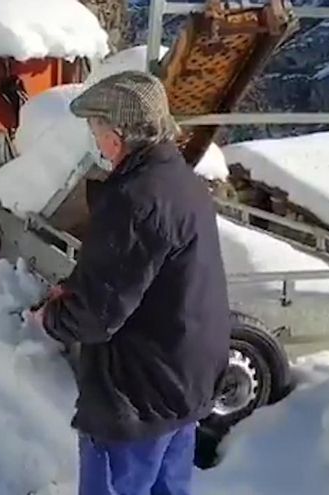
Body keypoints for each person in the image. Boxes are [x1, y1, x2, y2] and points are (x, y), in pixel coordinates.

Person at [32, 70, 232, 495]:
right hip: (184, 381)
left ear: (117, 136)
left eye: (95, 130)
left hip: (139, 395)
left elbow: (96, 316)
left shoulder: (134, 199)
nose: (96, 141)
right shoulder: (181, 181)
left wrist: (50, 317)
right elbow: (135, 275)